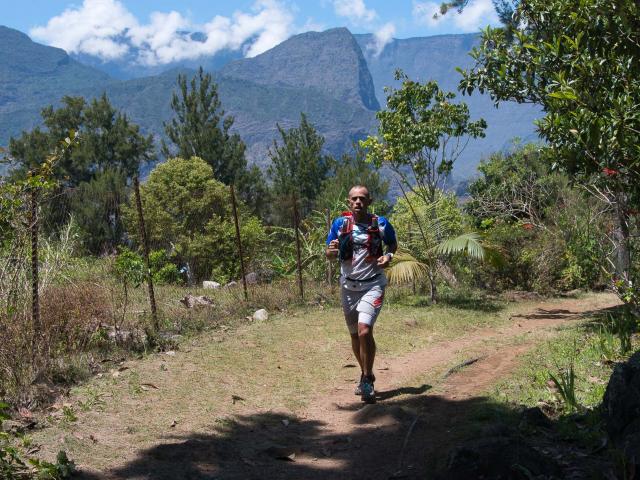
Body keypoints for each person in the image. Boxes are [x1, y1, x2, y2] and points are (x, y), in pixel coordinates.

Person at [325, 185, 397, 403]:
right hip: (348, 288)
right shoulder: (340, 224)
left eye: (362, 199)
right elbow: (329, 252)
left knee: (365, 331)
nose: (358, 202)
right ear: (349, 202)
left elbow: (392, 243)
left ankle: (367, 379)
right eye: (354, 199)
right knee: (355, 335)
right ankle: (366, 372)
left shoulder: (380, 223)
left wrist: (389, 256)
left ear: (369, 201)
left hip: (373, 284)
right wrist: (332, 250)